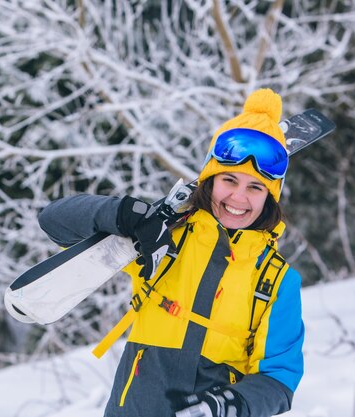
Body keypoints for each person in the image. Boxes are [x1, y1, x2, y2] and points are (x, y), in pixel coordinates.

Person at [38, 88, 304, 417]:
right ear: (209, 179)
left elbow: (279, 379)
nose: (238, 198)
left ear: (270, 197)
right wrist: (122, 215)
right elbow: (54, 221)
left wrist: (231, 405)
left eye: (255, 187)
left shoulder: (277, 281)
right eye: (229, 180)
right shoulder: (162, 239)